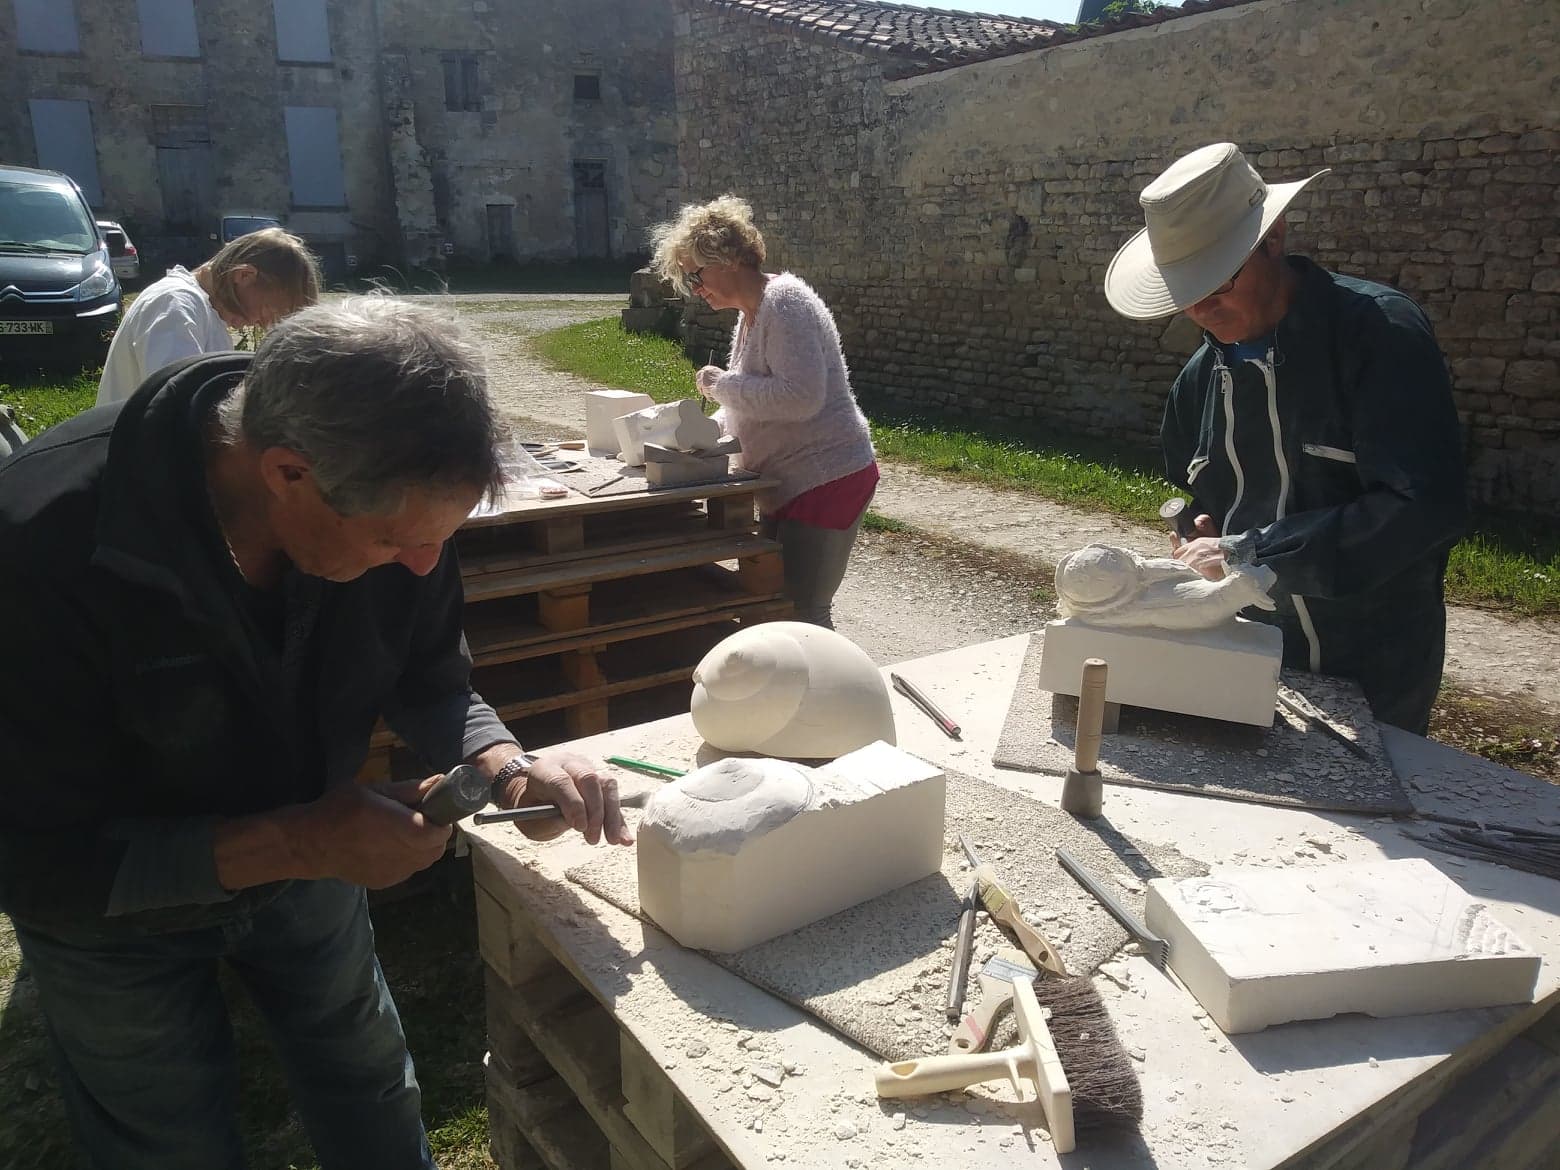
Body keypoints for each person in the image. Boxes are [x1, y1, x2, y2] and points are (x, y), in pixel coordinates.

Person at [0, 296, 631, 1170]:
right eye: (394, 543)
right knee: (166, 1140)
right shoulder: (39, 544)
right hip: (115, 917)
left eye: (435, 542)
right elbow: (35, 860)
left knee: (367, 1080)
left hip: (312, 867)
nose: (421, 563)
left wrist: (503, 764)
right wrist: (296, 840)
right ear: (287, 473)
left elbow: (429, 677)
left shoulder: (395, 491)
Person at [1104, 142, 1468, 734]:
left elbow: (1423, 506)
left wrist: (1251, 553)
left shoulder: (1377, 333)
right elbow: (1201, 496)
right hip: (1245, 656)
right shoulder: (1198, 379)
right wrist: (1200, 531)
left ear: (1273, 239)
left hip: (1372, 669)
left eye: (1219, 281)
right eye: (1185, 291)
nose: (1202, 308)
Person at [651, 195, 878, 629]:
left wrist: (720, 385)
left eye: (696, 275)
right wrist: (697, 433)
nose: (695, 288)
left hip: (827, 477)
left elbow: (800, 397)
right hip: (789, 482)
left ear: (730, 259)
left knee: (803, 609)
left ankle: (830, 677)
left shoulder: (786, 302)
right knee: (774, 602)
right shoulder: (752, 312)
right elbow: (753, 405)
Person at [96, 226, 322, 406]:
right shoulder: (175, 305)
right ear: (244, 276)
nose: (259, 323)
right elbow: (177, 403)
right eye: (267, 310)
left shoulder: (207, 314)